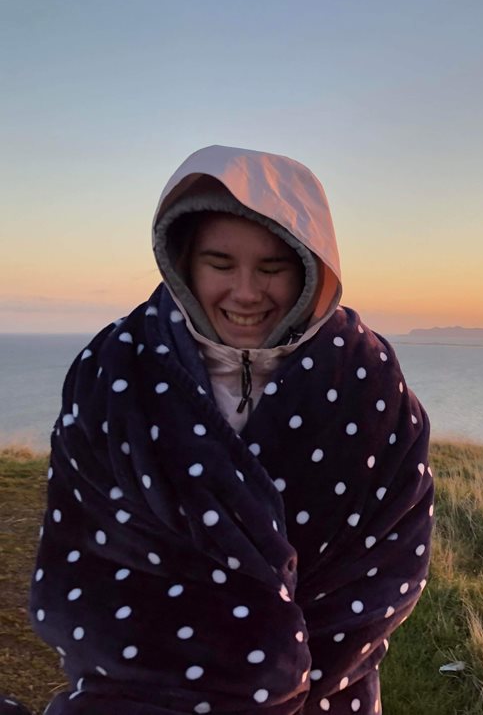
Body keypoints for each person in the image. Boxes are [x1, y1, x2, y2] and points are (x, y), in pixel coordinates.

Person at [4, 146, 433, 714]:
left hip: (328, 698)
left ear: (311, 267)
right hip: (138, 695)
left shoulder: (367, 380)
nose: (247, 293)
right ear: (184, 261)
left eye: (273, 268)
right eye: (221, 264)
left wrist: (281, 684)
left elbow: (392, 561)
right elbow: (83, 556)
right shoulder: (115, 370)